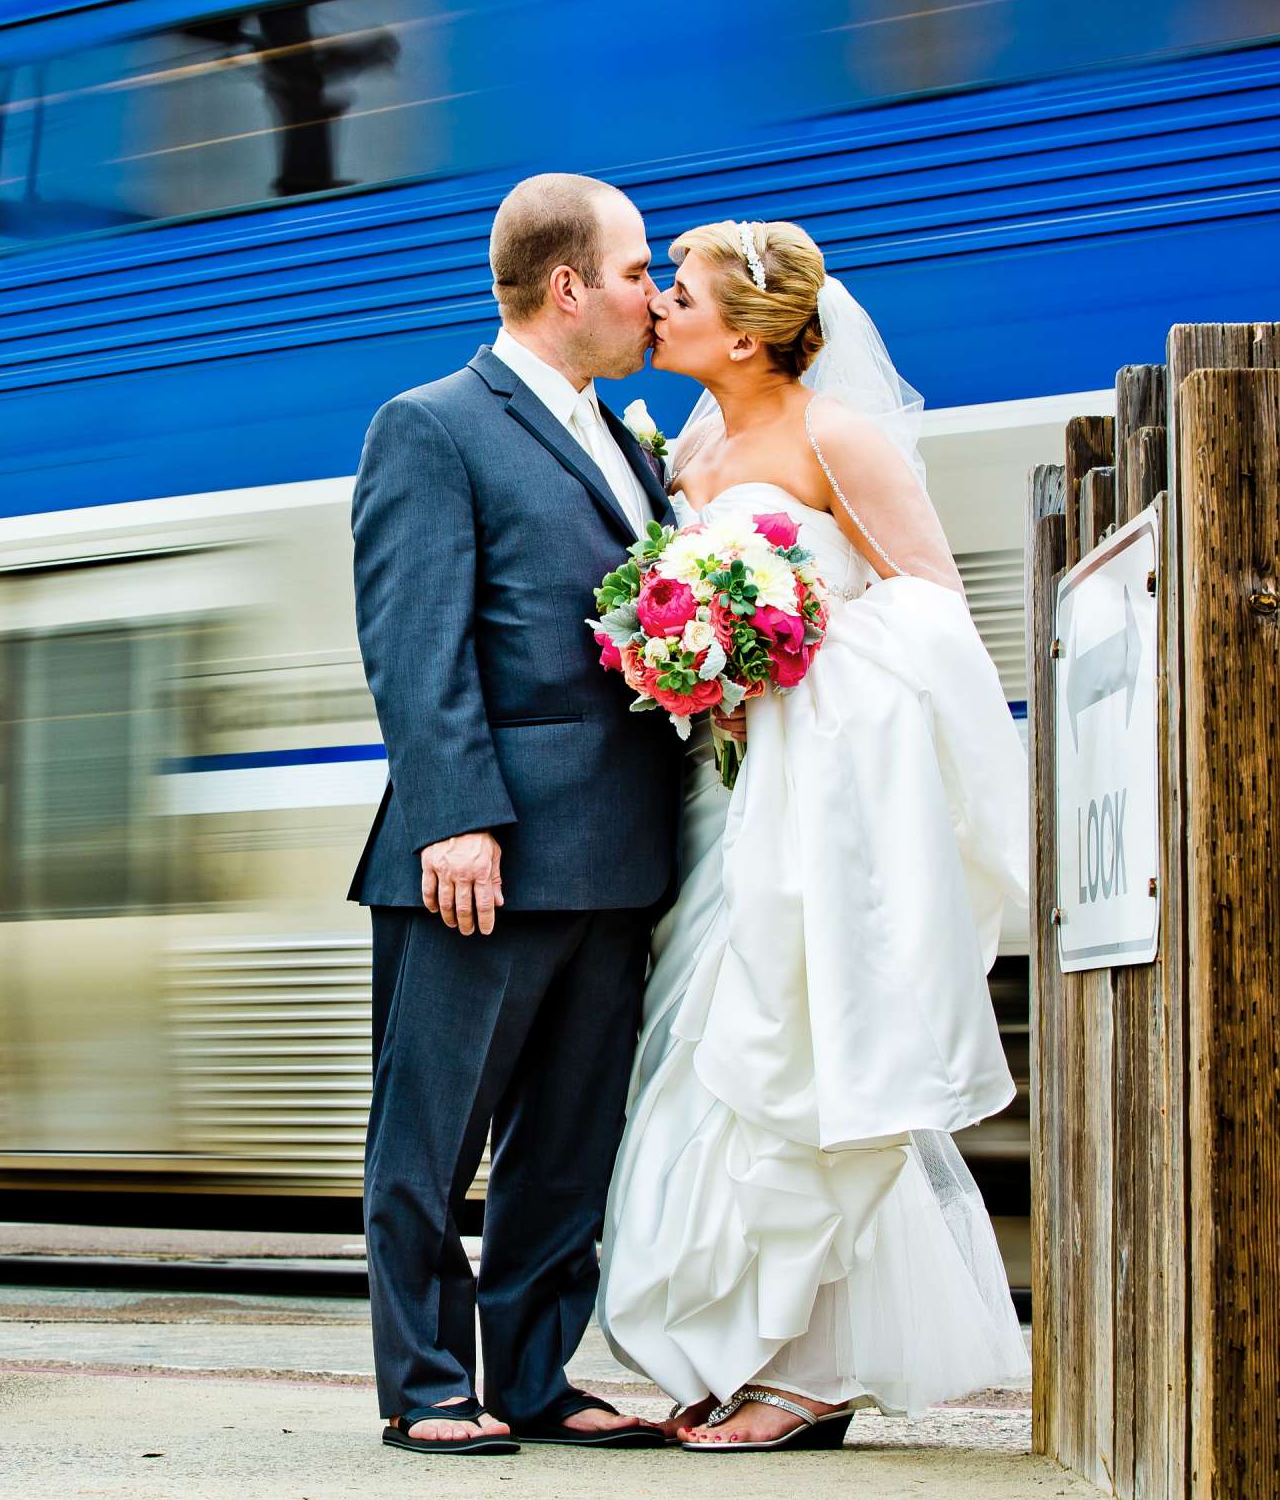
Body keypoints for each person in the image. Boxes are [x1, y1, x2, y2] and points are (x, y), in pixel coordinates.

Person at [598, 218, 1030, 1451]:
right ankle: (737, 1346)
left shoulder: (836, 435)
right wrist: (690, 661)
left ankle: (810, 1369)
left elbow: (935, 612)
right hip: (722, 798)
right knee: (702, 1051)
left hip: (817, 795)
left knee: (803, 1055)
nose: (656, 307)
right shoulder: (691, 448)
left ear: (742, 331)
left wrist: (791, 646)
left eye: (673, 291)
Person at [347, 173, 683, 1455]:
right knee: (433, 1130)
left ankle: (536, 1372)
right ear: (568, 287)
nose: (651, 296)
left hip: (617, 845)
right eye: (637, 271)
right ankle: (427, 1381)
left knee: (568, 1136)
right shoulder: (431, 426)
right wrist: (452, 817)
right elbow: (413, 638)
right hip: (483, 847)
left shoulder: (628, 441)